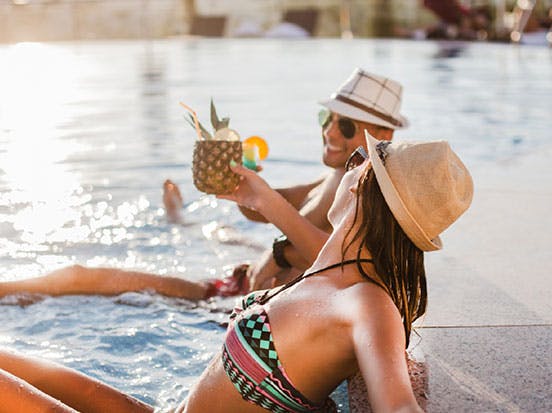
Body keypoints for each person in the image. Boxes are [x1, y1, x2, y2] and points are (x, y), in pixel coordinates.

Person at [0, 133, 473, 412]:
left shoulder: (367, 302)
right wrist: (260, 199)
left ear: (367, 191)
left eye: (358, 162)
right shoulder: (332, 275)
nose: (347, 170)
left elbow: (398, 407)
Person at [0, 68, 409, 302]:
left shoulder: (368, 191)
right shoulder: (336, 174)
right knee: (223, 231)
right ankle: (178, 218)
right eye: (328, 119)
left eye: (347, 125)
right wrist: (247, 186)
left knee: (79, 276)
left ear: (383, 133)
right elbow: (264, 210)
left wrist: (275, 235)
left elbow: (342, 262)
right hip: (244, 281)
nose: (330, 132)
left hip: (235, 302)